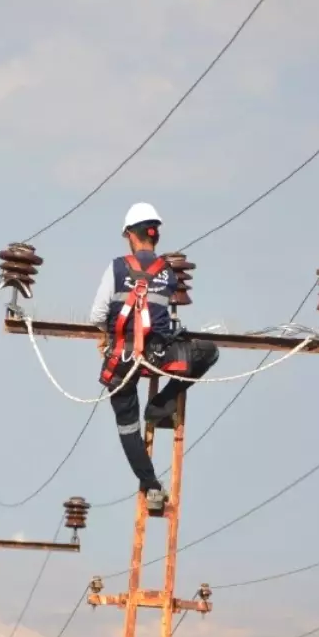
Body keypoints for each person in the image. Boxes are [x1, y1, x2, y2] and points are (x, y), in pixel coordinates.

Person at [89, 202, 219, 513]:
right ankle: (162, 402)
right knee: (208, 352)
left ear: (129, 236)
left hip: (121, 361)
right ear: (154, 236)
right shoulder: (167, 273)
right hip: (159, 356)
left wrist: (108, 333)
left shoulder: (116, 267)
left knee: (127, 427)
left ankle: (151, 486)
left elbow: (96, 314)